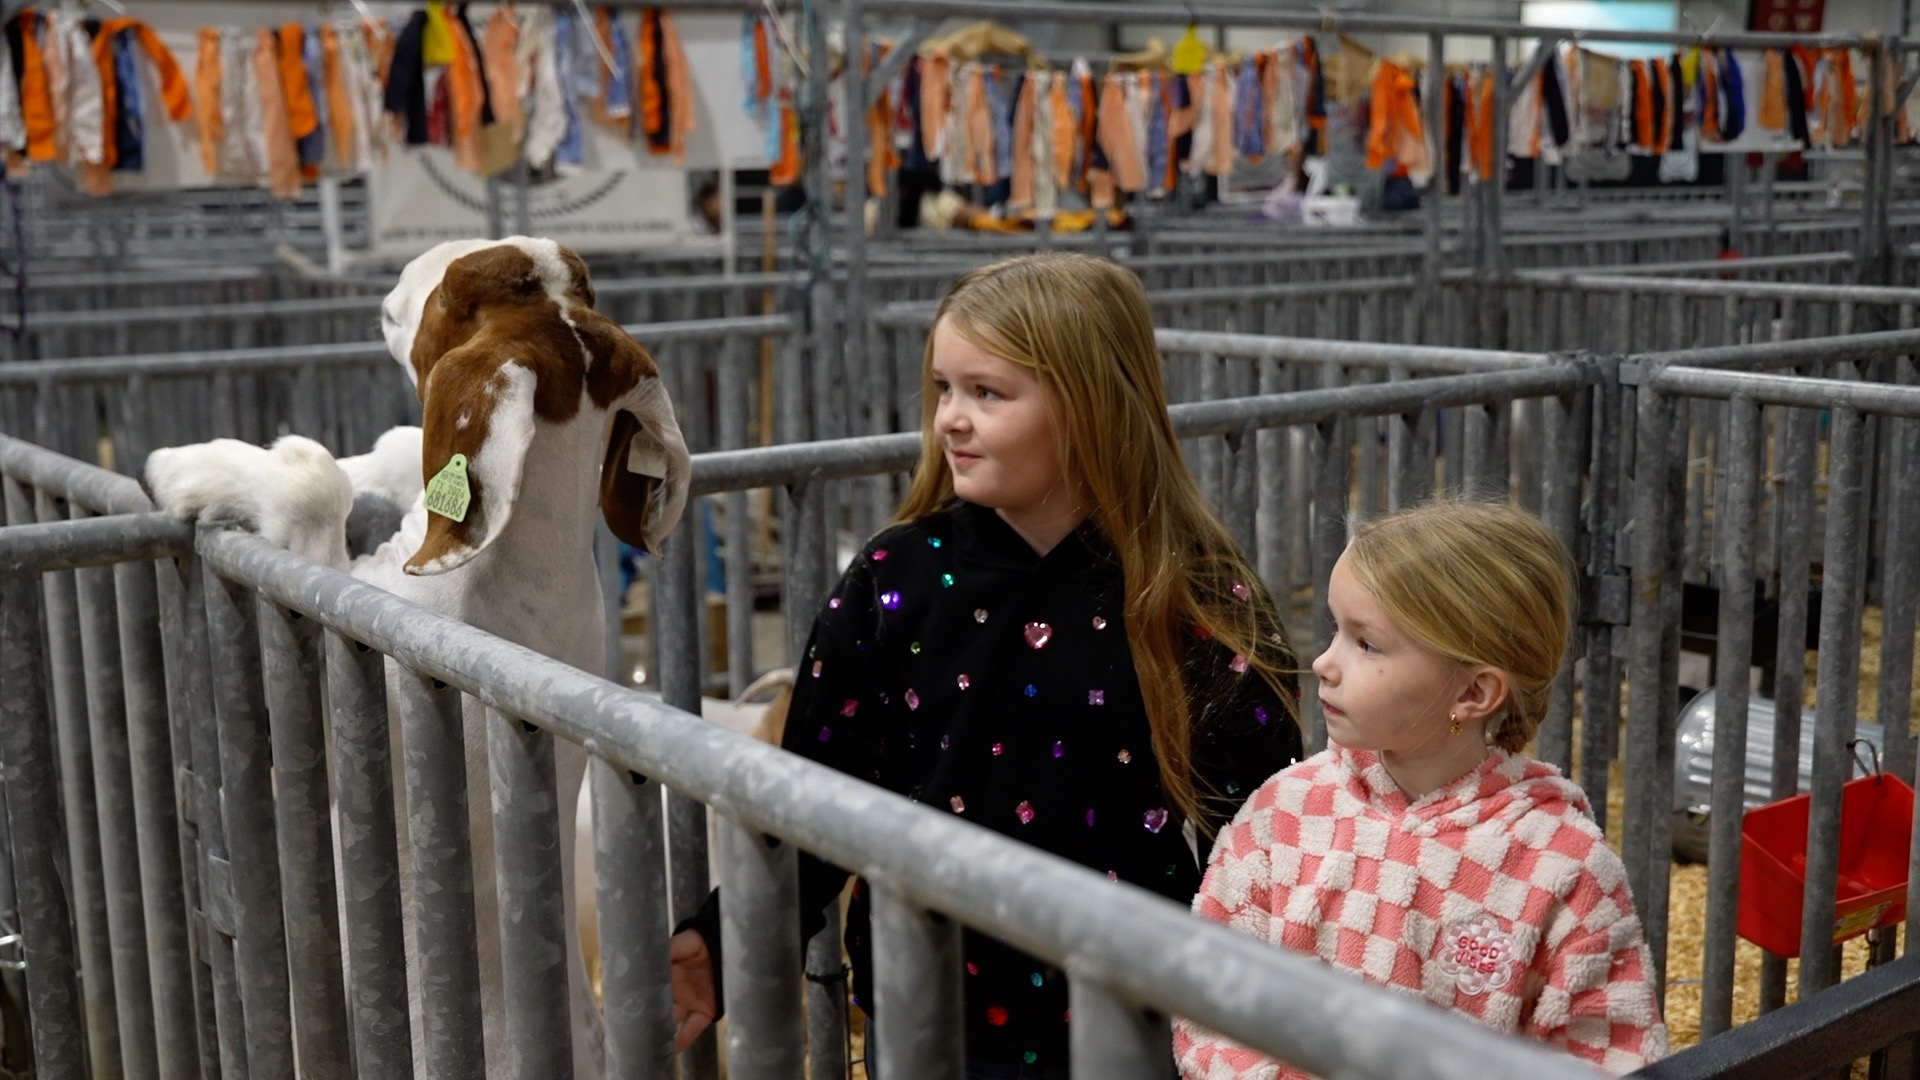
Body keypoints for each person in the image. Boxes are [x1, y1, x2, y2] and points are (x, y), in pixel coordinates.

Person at [670, 251, 1304, 1077]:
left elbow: (1261, 829)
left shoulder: (1187, 593)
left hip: (1134, 1007)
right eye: (943, 388)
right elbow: (818, 799)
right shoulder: (895, 578)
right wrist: (722, 944)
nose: (949, 421)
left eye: (988, 393)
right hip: (927, 1003)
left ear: (1091, 408)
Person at [1173, 500, 1667, 1079]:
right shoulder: (1284, 815)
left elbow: (1607, 1051)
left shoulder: (1563, 867)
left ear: (1474, 693)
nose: (1324, 662)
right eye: (1336, 629)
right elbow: (1209, 990)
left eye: (1367, 644)